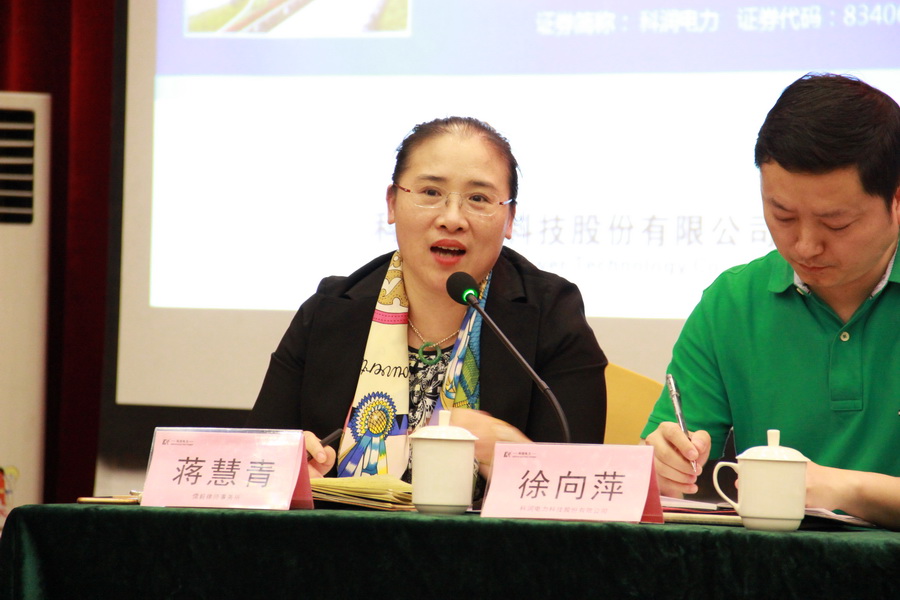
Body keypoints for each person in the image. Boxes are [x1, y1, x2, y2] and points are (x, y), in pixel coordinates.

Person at [248, 116, 607, 483]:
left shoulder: (551, 315)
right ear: (392, 203)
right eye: (431, 193)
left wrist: (512, 452)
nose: (452, 219)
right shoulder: (329, 310)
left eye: (478, 198)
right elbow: (254, 460)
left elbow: (577, 484)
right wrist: (290, 466)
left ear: (510, 218)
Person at [641, 73, 900, 529]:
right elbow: (666, 471)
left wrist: (847, 489)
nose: (805, 245)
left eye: (836, 224)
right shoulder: (732, 302)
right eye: (782, 215)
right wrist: (665, 465)